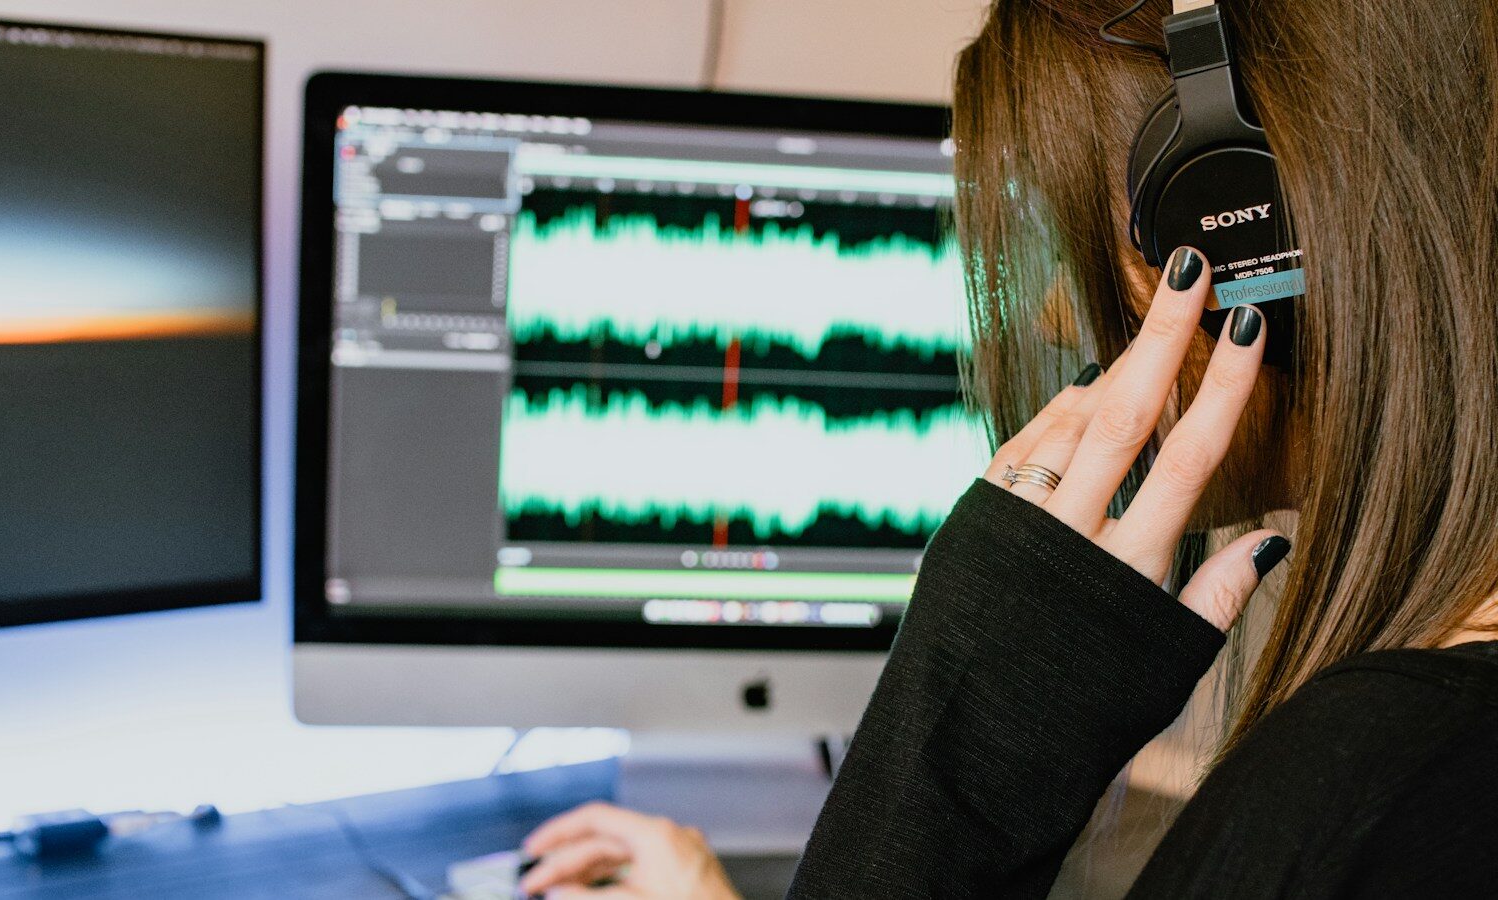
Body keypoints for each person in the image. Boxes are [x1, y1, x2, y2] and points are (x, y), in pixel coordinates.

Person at [517, 0, 1498, 896]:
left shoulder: (1376, 774)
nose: (1050, 311)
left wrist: (965, 741)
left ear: (1247, 235)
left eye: (1098, 239)